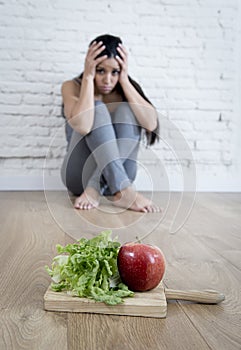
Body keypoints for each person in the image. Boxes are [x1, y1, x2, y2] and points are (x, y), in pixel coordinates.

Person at [61, 34, 161, 213]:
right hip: (79, 177)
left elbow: (151, 124)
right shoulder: (72, 86)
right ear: (90, 66)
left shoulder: (125, 89)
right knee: (97, 108)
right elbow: (83, 126)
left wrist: (124, 80)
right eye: (100, 71)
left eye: (114, 72)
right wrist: (88, 78)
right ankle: (120, 191)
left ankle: (99, 188)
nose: (108, 80)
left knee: (127, 109)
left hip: (122, 176)